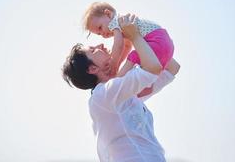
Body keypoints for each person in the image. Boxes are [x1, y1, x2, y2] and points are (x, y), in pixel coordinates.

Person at [62, 14, 180, 162]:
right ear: (92, 69)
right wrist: (135, 36)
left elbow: (172, 68)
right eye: (93, 50)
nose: (100, 45)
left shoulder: (124, 94)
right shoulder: (103, 95)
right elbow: (153, 68)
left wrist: (138, 34)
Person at [82, 2, 174, 79]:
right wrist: (118, 63)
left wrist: (114, 64)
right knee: (139, 62)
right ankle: (148, 86)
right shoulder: (123, 26)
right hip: (166, 44)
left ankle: (118, 80)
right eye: (99, 34)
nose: (103, 34)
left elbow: (118, 45)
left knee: (134, 56)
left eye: (100, 28)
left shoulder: (116, 22)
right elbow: (127, 46)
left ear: (108, 14)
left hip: (157, 40)